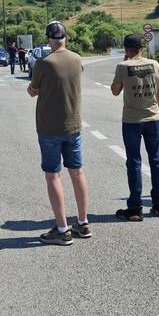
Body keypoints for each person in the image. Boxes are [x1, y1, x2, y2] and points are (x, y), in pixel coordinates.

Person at [27, 21, 91, 245]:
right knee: (77, 172)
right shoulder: (77, 59)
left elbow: (32, 90)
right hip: (73, 125)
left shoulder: (44, 64)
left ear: (48, 40)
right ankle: (82, 222)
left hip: (49, 128)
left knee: (53, 175)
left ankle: (62, 229)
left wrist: (36, 88)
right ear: (66, 38)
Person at [111, 34, 159, 221]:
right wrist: (152, 109)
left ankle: (135, 208)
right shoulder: (155, 64)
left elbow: (115, 91)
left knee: (134, 162)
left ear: (126, 49)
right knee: (156, 161)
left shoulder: (122, 66)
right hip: (153, 119)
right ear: (142, 48)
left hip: (132, 121)